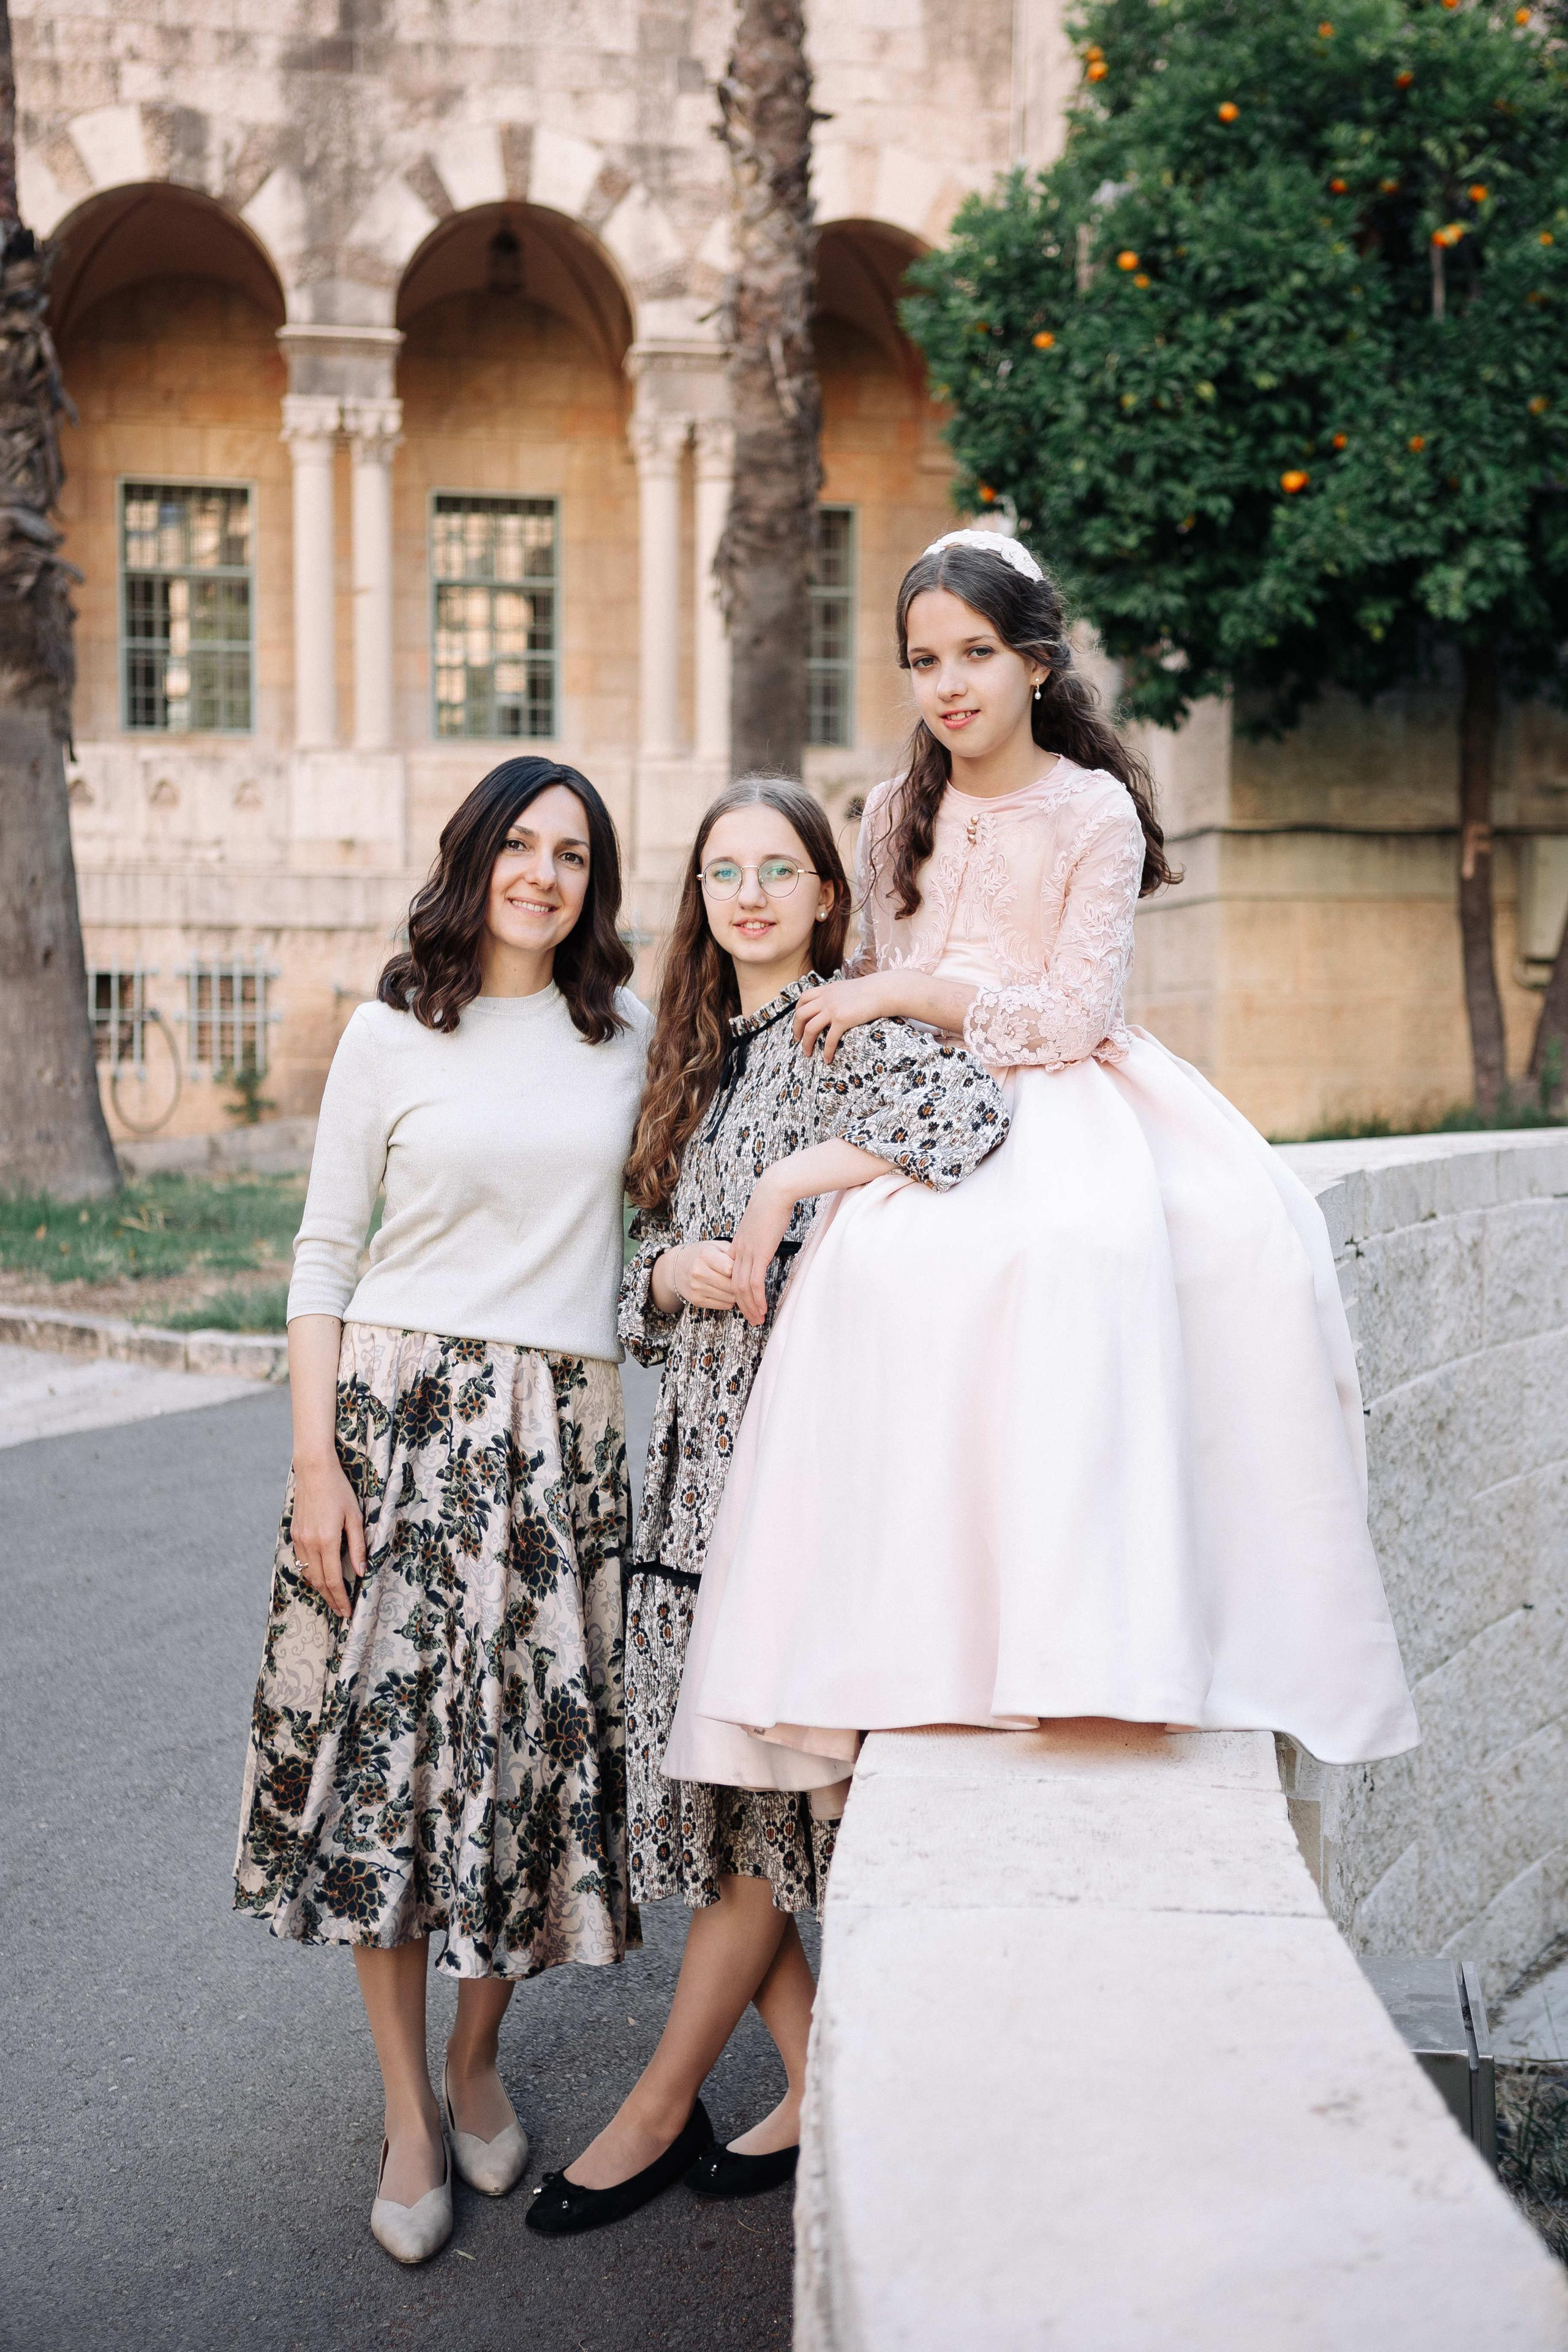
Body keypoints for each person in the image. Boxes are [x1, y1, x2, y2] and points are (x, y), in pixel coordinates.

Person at [668, 532, 1419, 1794]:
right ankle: (906, 1658)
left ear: (1033, 662)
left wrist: (910, 989)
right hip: (927, 1106)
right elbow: (871, 1002)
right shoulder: (890, 813)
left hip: (1066, 1092)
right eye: (923, 661)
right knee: (875, 1284)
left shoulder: (1092, 809)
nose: (948, 684)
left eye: (974, 654)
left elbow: (1068, 1016)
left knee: (1110, 1254)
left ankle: (1088, 1649)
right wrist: (843, 1103)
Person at [524, 777, 1009, 2237]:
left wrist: (797, 1180)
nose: (749, 896)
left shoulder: (842, 1029)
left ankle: (657, 2108)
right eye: (724, 872)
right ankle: (818, 2086)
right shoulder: (697, 1056)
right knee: (735, 1812)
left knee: (752, 1815)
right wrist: (666, 1277)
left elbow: (974, 1121)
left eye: (777, 870)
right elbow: (632, 1274)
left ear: (824, 895)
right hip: (690, 1479)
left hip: (796, 1484)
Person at [233, 756, 653, 2264]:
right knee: (390, 1779)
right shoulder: (389, 1032)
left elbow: (670, 1224)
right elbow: (322, 1256)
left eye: (571, 854)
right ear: (472, 858)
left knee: (522, 1778)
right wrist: (314, 1466)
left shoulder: (629, 1036)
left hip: (559, 1447)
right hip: (394, 1438)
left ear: (595, 884)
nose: (542, 873)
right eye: (518, 844)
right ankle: (409, 2107)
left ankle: (479, 2059)